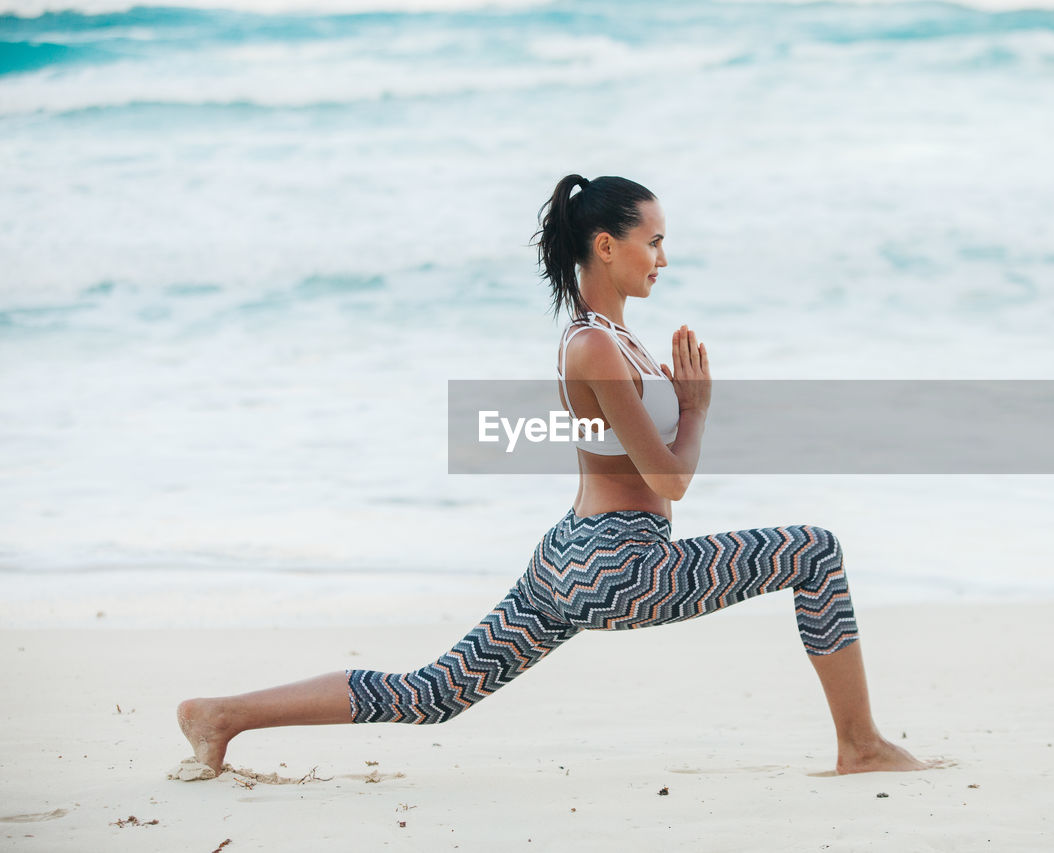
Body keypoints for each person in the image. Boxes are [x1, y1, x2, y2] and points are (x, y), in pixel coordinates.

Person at [177, 174, 939, 776]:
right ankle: (861, 744)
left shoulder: (611, 335)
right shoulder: (595, 348)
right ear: (607, 246)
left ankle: (222, 715)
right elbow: (668, 481)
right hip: (619, 563)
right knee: (814, 550)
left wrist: (690, 404)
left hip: (570, 556)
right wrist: (699, 408)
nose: (664, 259)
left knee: (432, 693)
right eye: (656, 242)